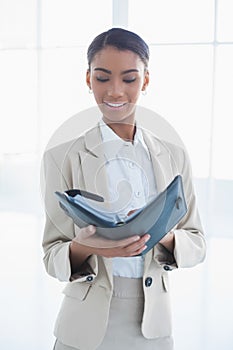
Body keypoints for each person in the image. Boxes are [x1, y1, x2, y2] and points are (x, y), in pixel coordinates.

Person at [41, 28, 206, 350]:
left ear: (145, 81)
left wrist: (161, 234)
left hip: (152, 326)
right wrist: (86, 246)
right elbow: (52, 254)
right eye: (103, 78)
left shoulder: (174, 155)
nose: (115, 91)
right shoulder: (61, 156)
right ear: (88, 79)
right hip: (84, 326)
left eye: (129, 79)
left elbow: (197, 241)